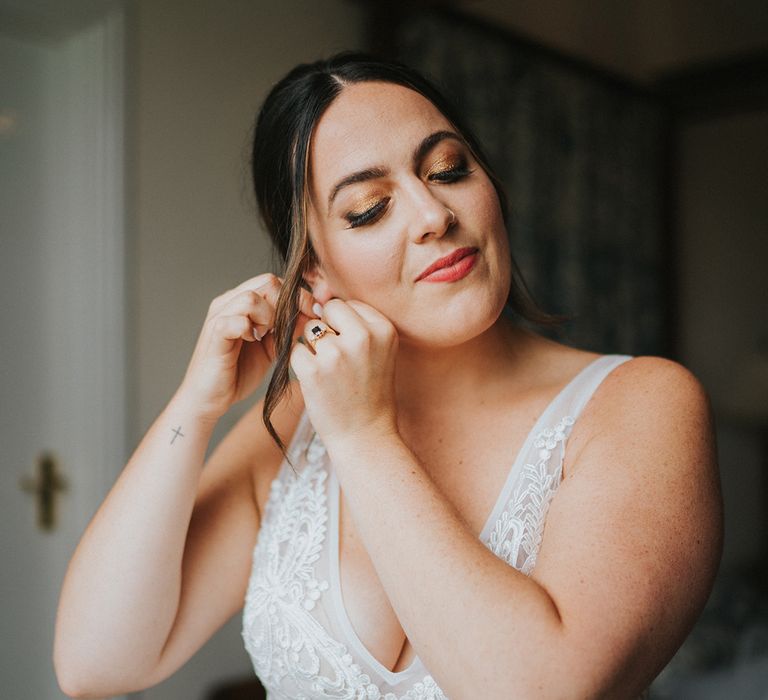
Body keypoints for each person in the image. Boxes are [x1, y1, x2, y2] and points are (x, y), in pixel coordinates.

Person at [54, 52, 723, 700]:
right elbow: (96, 663)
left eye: (449, 169)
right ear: (312, 269)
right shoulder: (293, 428)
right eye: (370, 208)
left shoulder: (642, 405)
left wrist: (365, 438)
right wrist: (195, 408)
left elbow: (537, 689)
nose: (434, 216)